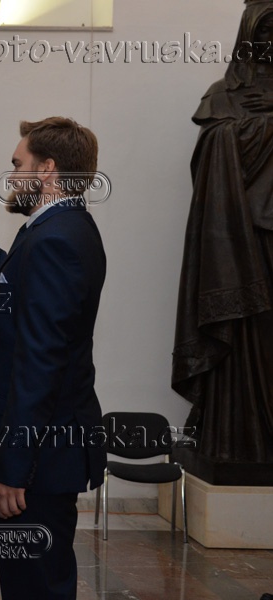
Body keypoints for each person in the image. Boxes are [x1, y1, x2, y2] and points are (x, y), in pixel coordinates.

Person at [0, 118, 107, 600]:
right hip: (38, 453)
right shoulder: (55, 228)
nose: (11, 176)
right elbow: (5, 279)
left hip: (37, 460)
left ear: (47, 169)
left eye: (18, 164)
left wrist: (13, 467)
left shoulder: (56, 239)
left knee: (35, 587)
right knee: (27, 584)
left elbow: (40, 363)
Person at [172, 0, 273, 468]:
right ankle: (235, 440)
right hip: (237, 238)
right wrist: (248, 130)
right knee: (241, 331)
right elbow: (209, 156)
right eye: (265, 30)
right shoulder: (223, 95)